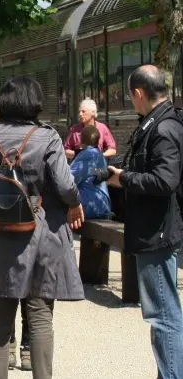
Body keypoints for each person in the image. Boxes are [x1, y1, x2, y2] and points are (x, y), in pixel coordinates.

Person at [0, 76, 85, 379]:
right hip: (40, 227)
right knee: (39, 314)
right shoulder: (48, 137)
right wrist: (75, 203)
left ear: (3, 103)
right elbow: (65, 185)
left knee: (0, 315)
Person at [106, 65, 183, 378]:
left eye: (130, 95)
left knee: (163, 314)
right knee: (164, 314)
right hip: (158, 229)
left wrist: (124, 179)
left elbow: (165, 181)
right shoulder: (163, 121)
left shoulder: (162, 128)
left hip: (158, 233)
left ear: (138, 93)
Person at [70, 125, 112, 219]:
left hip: (90, 206)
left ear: (81, 139)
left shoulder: (87, 155)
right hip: (101, 205)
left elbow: (69, 181)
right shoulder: (98, 154)